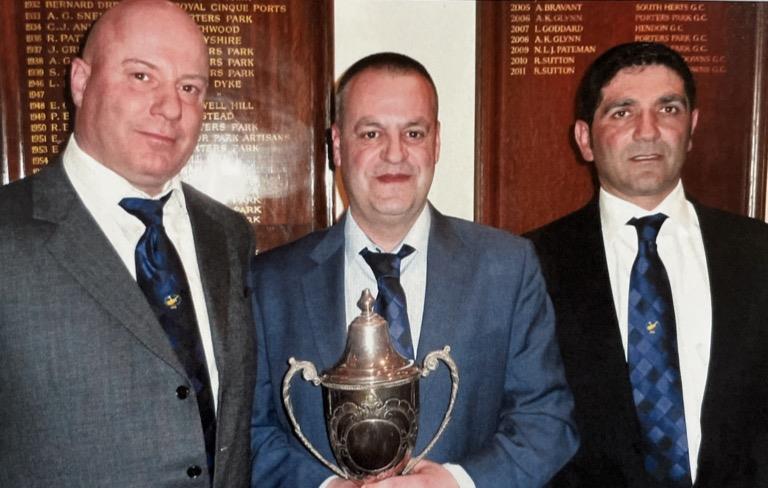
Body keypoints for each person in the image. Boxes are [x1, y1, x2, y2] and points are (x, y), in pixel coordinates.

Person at [250, 52, 578, 488]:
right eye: (371, 133)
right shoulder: (270, 282)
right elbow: (249, 432)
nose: (395, 154)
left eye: (414, 132)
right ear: (337, 145)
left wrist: (457, 483)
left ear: (436, 143)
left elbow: (547, 421)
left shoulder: (507, 268)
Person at [0, 1, 255, 486]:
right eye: (142, 76)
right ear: (80, 81)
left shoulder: (229, 235)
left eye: (189, 87)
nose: (170, 106)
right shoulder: (6, 236)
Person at [527, 42, 768, 487]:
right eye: (622, 112)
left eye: (668, 108)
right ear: (585, 138)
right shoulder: (531, 265)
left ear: (691, 127)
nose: (648, 130)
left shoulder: (759, 255)